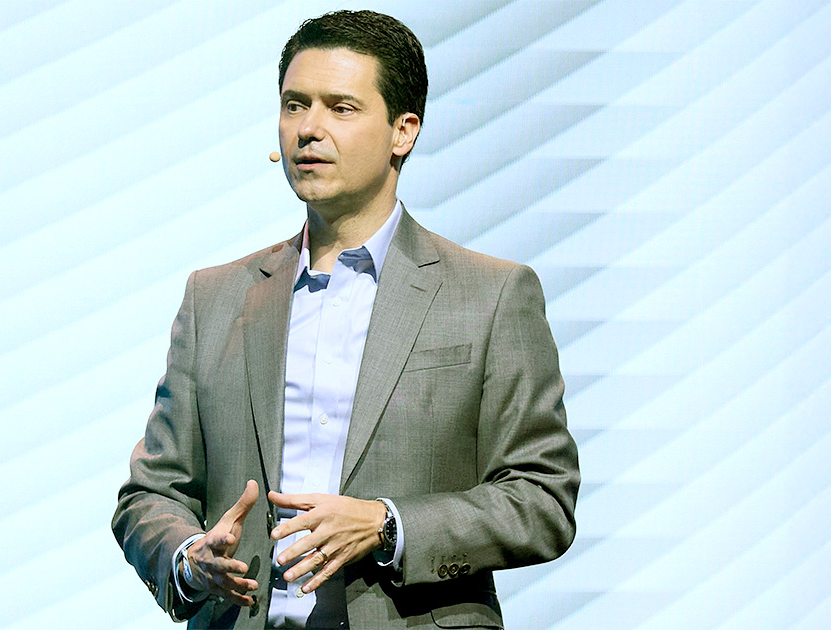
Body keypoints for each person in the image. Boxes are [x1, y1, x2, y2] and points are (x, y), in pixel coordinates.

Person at [112, 10, 579, 629]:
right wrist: (188, 558)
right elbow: (150, 493)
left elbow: (542, 500)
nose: (309, 129)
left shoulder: (490, 295)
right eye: (294, 105)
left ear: (403, 132)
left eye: (341, 108)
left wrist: (389, 525)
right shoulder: (215, 297)